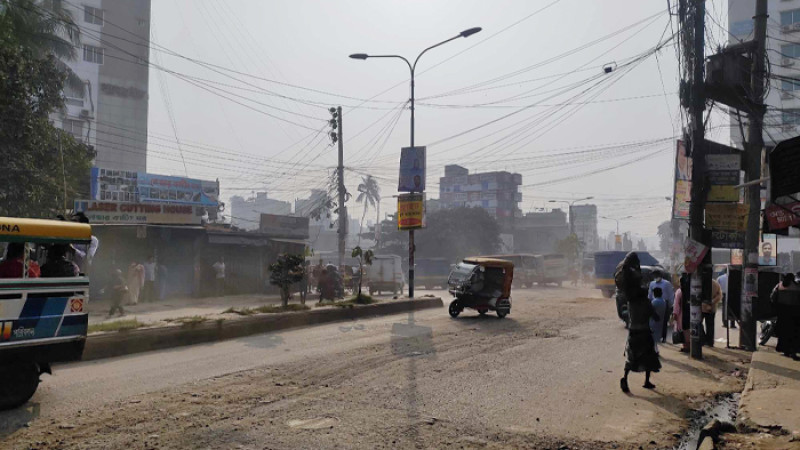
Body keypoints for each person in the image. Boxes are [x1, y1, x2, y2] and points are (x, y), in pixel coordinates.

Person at [616, 252, 661, 393]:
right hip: (644, 332)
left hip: (633, 331)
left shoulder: (631, 302)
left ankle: (625, 378)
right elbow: (655, 316)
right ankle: (646, 381)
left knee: (631, 358)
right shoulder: (645, 303)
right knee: (648, 357)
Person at [771, 273, 800, 360]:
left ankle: (785, 350)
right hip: (795, 313)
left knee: (783, 332)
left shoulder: (779, 286)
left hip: (782, 313)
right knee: (794, 333)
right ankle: (793, 351)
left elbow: (772, 297)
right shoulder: (797, 286)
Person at [648, 269, 675, 343]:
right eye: (654, 275)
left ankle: (663, 337)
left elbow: (670, 295)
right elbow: (650, 295)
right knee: (654, 321)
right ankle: (655, 336)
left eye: (656, 275)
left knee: (664, 321)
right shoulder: (652, 284)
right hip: (654, 304)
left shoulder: (666, 283)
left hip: (664, 304)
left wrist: (670, 305)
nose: (655, 277)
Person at [700, 278, 723, 347]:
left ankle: (704, 339)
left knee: (698, 323)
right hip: (711, 308)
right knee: (710, 325)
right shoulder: (715, 283)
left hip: (702, 308)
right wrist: (713, 302)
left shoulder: (700, 282)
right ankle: (709, 341)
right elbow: (719, 295)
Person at [650, 287, 666, 354]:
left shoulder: (654, 302)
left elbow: (650, 311)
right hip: (660, 321)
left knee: (652, 338)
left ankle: (655, 351)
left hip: (653, 322)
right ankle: (655, 350)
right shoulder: (663, 301)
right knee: (655, 339)